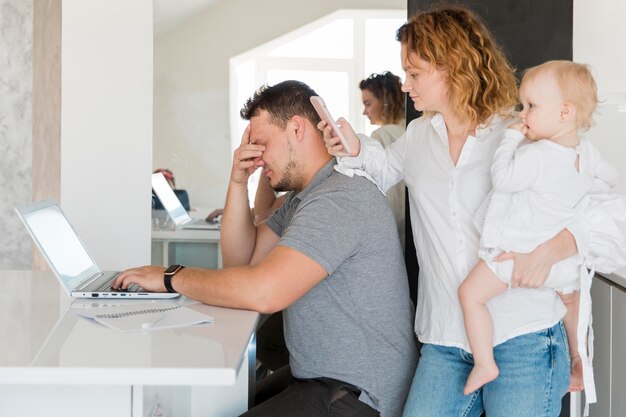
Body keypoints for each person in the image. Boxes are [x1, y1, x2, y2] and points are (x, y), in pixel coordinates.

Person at [321, 5, 623, 416]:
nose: (406, 85)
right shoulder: (417, 136)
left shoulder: (521, 132)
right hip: (445, 339)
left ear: (452, 66)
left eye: (415, 72)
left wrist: (553, 249)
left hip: (525, 337)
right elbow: (382, 168)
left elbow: (612, 196)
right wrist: (353, 147)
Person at [114, 80, 417, 417]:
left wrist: (171, 277)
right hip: (325, 380)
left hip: (356, 398)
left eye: (262, 144)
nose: (257, 157)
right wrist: (237, 180)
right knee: (224, 402)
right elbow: (241, 260)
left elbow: (264, 292)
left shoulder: (340, 196)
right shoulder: (305, 196)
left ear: (297, 128)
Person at [458, 60, 626, 399]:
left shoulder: (537, 156)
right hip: (563, 265)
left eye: (531, 106)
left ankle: (484, 362)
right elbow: (614, 184)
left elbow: (502, 180)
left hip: (518, 256)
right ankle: (577, 357)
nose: (522, 114)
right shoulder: (588, 153)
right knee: (571, 300)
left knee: (469, 295)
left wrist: (508, 141)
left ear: (565, 112)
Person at [359, 71, 407, 249]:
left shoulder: (382, 135)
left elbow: (387, 198)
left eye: (368, 104)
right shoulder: (412, 130)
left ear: (386, 101)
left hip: (394, 233)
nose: (365, 112)